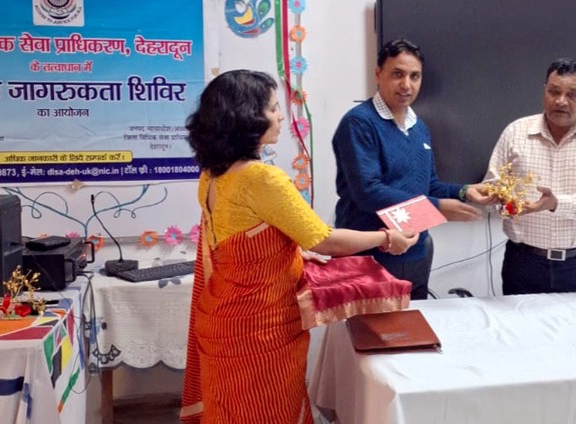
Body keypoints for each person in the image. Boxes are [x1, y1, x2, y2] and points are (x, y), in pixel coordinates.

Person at [179, 70, 419, 424]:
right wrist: (386, 238)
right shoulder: (262, 178)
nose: (280, 116)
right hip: (260, 329)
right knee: (270, 413)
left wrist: (286, 249)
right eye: (273, 108)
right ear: (247, 118)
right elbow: (323, 239)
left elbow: (241, 241)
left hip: (221, 317)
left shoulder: (212, 174)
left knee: (230, 412)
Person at [331, 39, 486, 300]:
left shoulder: (419, 127)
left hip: (417, 250)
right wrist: (436, 207)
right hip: (369, 253)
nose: (407, 85)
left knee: (415, 321)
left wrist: (465, 192)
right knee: (371, 326)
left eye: (415, 76)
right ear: (378, 74)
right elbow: (368, 192)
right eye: (397, 74)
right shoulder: (359, 123)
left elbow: (429, 185)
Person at [476, 58, 576, 295]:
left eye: (572, 95)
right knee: (517, 320)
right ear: (544, 93)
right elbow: (491, 188)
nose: (561, 101)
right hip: (523, 262)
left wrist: (555, 203)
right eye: (554, 92)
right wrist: (501, 203)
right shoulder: (515, 132)